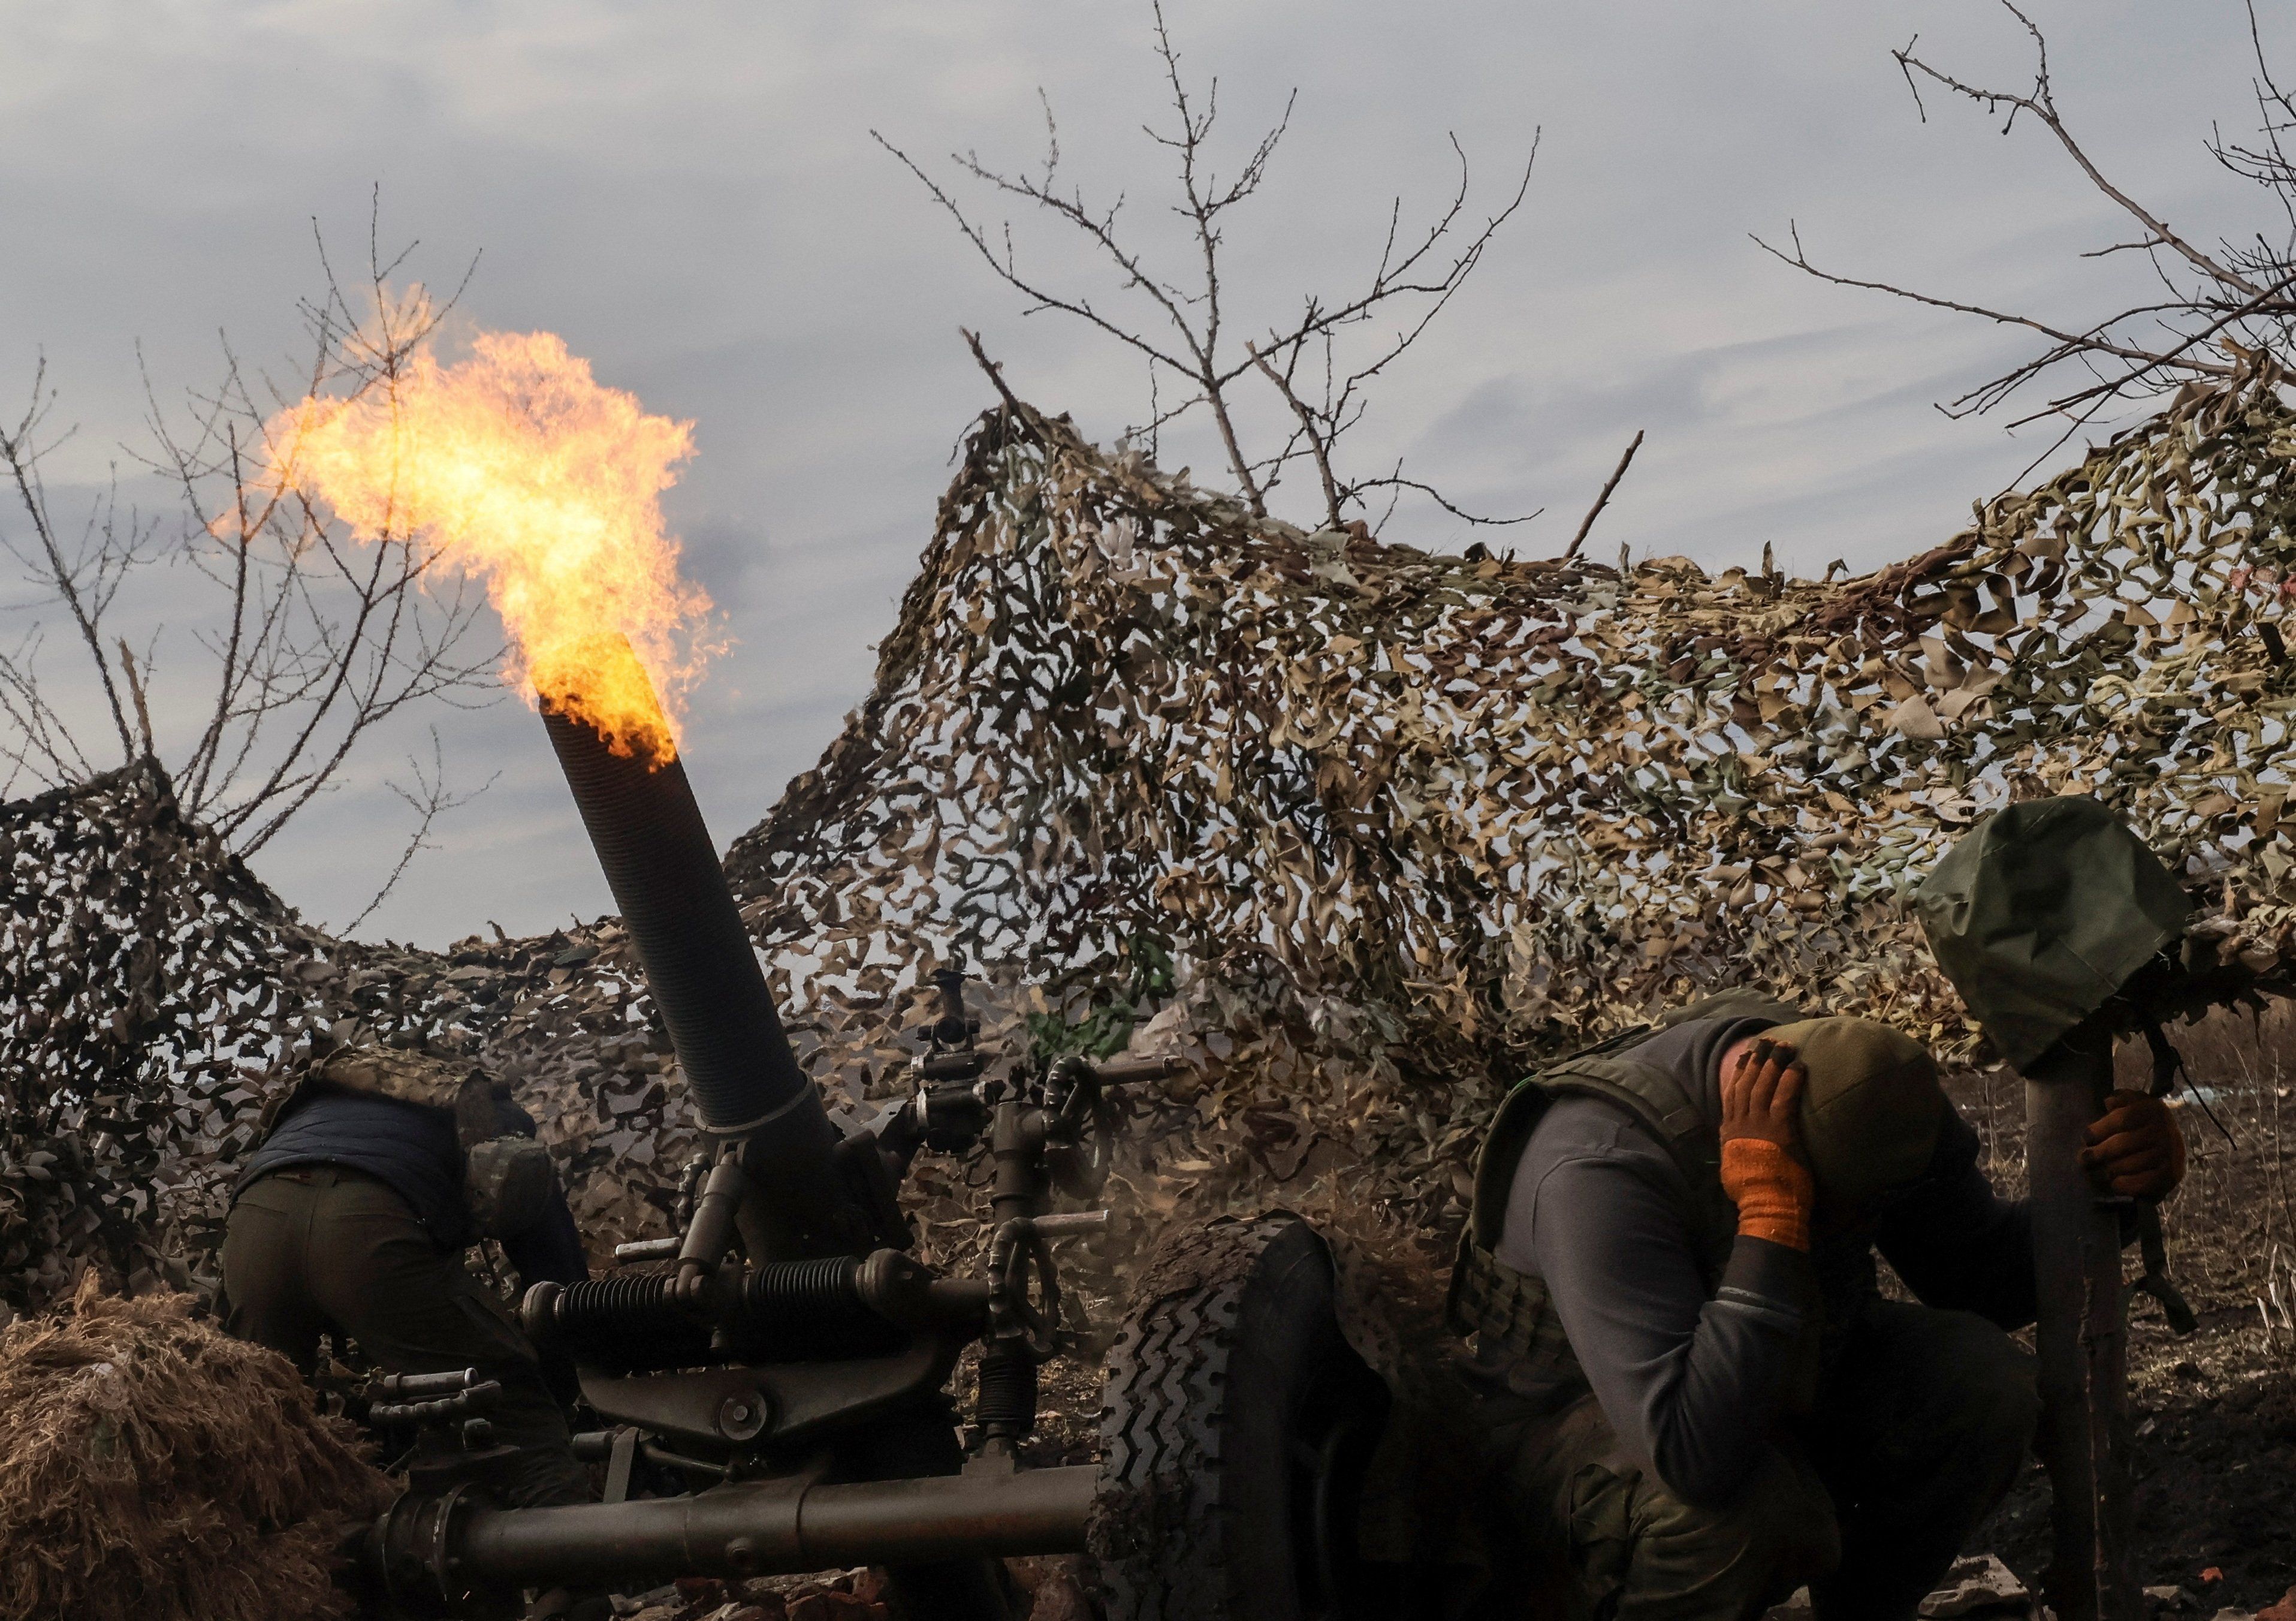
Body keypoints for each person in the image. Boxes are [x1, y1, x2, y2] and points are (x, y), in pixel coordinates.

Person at [1448, 997, 2188, 1620]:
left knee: (1984, 1385)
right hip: (1575, 1450)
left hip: (1768, 1378)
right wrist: (1771, 1212)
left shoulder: (1874, 1091)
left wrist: (2111, 1191)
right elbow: (1691, 1456)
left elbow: (1976, 1277)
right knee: (1743, 1515)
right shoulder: (1598, 1166)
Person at [220, 1039, 593, 1509]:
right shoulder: (491, 1114)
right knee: (514, 1410)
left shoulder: (328, 1098)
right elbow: (557, 1278)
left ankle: (269, 1557)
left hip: (256, 1222)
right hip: (366, 1230)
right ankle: (571, 1575)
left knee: (263, 1423)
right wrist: (559, 1390)